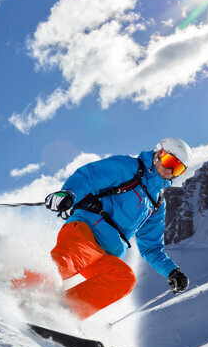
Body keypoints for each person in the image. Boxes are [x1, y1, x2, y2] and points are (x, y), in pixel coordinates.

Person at [40, 137, 192, 320]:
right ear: (158, 154)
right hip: (85, 231)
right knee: (66, 263)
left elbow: (151, 247)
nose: (170, 171)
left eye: (178, 169)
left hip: (105, 253)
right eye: (170, 162)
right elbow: (91, 176)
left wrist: (171, 271)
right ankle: (21, 285)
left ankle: (61, 313)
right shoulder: (130, 168)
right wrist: (69, 194)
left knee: (123, 278)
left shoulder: (157, 203)